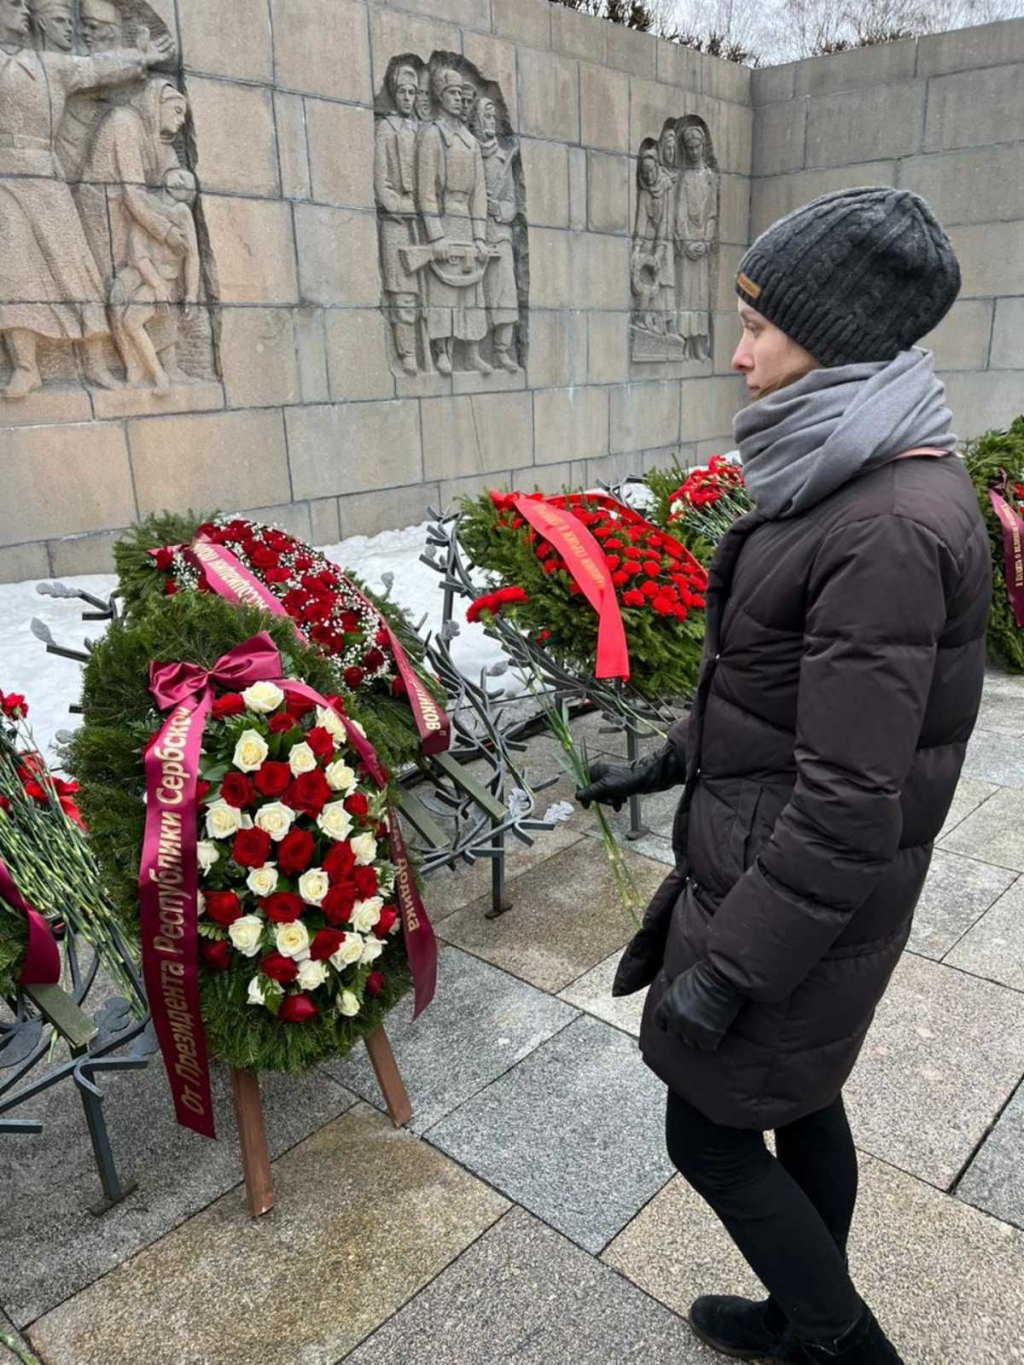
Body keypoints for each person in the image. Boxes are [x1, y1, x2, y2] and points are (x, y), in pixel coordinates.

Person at [578, 187, 990, 1364]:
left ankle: (837, 1342)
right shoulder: (846, 476)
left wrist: (730, 974)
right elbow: (793, 702)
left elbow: (850, 798)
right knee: (799, 1099)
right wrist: (665, 762)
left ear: (834, 334)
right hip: (782, 887)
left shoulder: (887, 523)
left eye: (757, 324)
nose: (735, 349)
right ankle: (802, 1313)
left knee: (705, 1139)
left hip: (790, 905)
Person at [0, 0, 168, 396]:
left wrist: (141, 55)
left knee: (74, 263)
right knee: (13, 269)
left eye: (27, 7)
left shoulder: (49, 66)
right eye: (12, 4)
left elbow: (97, 67)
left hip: (44, 171)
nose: (22, 11)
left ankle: (95, 361)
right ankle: (26, 366)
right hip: (4, 177)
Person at [414, 64, 490, 376]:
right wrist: (435, 235)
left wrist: (481, 237)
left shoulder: (471, 142)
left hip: (467, 222)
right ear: (439, 97)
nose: (459, 99)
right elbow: (425, 190)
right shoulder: (432, 135)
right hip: (443, 219)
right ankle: (442, 349)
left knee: (471, 292)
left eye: (461, 93)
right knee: (443, 291)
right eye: (452, 93)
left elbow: (480, 194)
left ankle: (471, 350)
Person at [108, 165, 199, 391]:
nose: (182, 182)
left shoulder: (181, 212)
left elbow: (193, 255)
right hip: (144, 272)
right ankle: (135, 368)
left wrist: (191, 294)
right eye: (181, 175)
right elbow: (139, 256)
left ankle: (159, 376)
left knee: (132, 320)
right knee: (116, 298)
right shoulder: (144, 206)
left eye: (188, 185)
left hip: (166, 277)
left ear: (188, 198)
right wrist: (155, 285)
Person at [374, 60, 423, 376]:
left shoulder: (422, 129)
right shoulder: (386, 128)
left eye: (413, 92)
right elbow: (381, 183)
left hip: (424, 221)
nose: (408, 97)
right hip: (396, 222)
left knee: (421, 293)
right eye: (403, 92)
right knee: (401, 290)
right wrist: (399, 207)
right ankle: (406, 353)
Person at [469, 93, 520, 373]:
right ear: (475, 120)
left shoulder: (503, 158)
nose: (490, 121)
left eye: (492, 116)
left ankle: (501, 349)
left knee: (504, 294)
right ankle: (474, 351)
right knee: (476, 295)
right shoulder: (469, 151)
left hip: (499, 234)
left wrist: (498, 207)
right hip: (473, 234)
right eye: (485, 116)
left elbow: (513, 202)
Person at [673, 119, 717, 360]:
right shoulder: (684, 177)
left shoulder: (709, 176)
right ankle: (685, 341)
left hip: (702, 247)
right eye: (688, 148)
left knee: (700, 298)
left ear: (702, 146)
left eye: (696, 147)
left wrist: (705, 241)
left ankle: (700, 343)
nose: (693, 152)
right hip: (687, 246)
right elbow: (679, 213)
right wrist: (686, 241)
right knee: (685, 295)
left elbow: (712, 213)